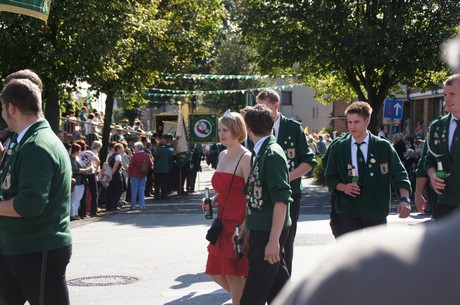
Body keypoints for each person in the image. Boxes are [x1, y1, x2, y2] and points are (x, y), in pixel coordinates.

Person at [272, 210, 460, 305]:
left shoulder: (351, 270)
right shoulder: (350, 270)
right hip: (349, 211)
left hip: (374, 210)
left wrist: (405, 194)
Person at [0, 77, 72, 305]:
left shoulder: (36, 145)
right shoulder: (26, 140)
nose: (1, 114)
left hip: (36, 248)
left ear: (11, 108)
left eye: (2, 108)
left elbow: (29, 204)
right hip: (20, 246)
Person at [325, 101, 412, 237]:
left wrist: (404, 199)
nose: (352, 126)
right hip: (349, 211)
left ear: (367, 121)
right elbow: (330, 176)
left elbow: (399, 173)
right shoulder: (339, 148)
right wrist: (343, 187)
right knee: (353, 254)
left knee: (375, 255)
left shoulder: (383, 147)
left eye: (357, 122)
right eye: (349, 122)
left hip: (376, 210)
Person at [256, 89, 316, 275]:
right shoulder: (256, 129)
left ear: (276, 106)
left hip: (290, 193)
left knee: (286, 239)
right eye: (258, 108)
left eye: (264, 108)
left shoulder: (293, 128)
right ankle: (264, 278)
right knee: (262, 237)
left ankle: (284, 281)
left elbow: (308, 162)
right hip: (263, 194)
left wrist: (285, 177)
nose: (260, 113)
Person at [239, 104, 292, 305]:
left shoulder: (271, 153)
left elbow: (281, 200)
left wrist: (273, 241)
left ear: (248, 128)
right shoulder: (263, 150)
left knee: (253, 294)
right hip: (262, 228)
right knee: (280, 291)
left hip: (268, 232)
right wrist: (247, 224)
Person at [203, 110, 252, 305]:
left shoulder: (246, 157)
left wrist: (246, 224)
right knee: (215, 272)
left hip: (237, 221)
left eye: (226, 130)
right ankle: (246, 298)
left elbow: (251, 195)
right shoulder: (222, 154)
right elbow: (227, 186)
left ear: (237, 131)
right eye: (220, 130)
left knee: (233, 273)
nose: (222, 134)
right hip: (221, 220)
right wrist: (215, 198)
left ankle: (241, 300)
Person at [424, 73, 460, 218]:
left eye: (452, 94)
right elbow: (429, 159)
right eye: (445, 95)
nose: (447, 100)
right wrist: (433, 176)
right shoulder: (437, 126)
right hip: (443, 201)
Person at [69, 143, 93, 221]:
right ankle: (72, 214)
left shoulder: (77, 159)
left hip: (82, 180)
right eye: (79, 150)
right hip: (77, 180)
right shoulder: (71, 159)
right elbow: (76, 170)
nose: (80, 152)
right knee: (75, 198)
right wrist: (87, 170)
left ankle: (75, 213)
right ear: (76, 151)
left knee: (78, 198)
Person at [128, 141, 153, 211]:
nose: (134, 148)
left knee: (134, 190)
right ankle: (142, 205)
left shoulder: (134, 156)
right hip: (143, 174)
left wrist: (130, 173)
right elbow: (150, 165)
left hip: (134, 174)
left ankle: (133, 205)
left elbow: (131, 166)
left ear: (138, 148)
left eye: (135, 147)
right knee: (141, 190)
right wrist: (146, 171)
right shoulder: (147, 155)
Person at [105, 143, 126, 211]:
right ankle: (114, 205)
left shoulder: (112, 156)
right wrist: (112, 174)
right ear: (119, 149)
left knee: (111, 190)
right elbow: (115, 166)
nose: (123, 149)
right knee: (118, 190)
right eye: (122, 148)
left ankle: (109, 206)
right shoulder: (118, 156)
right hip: (116, 176)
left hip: (113, 175)